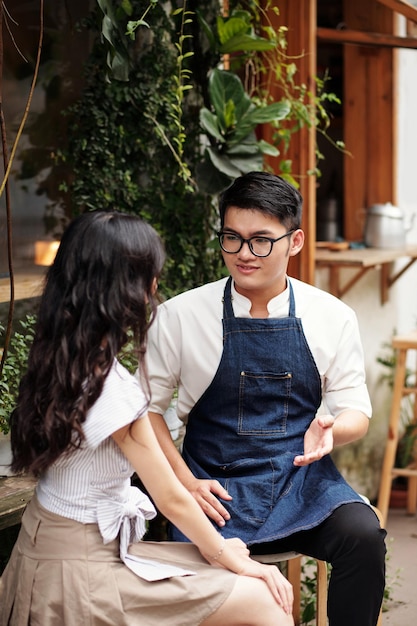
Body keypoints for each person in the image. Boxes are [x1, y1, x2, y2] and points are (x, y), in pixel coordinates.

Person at [0, 211, 294, 626]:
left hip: (46, 550)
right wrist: (230, 556)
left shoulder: (59, 358)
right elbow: (170, 498)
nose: (155, 286)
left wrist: (224, 549)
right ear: (127, 288)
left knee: (235, 566)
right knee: (264, 598)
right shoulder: (111, 388)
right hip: (79, 570)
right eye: (150, 275)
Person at [146, 171, 387, 626]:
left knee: (363, 536)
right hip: (212, 489)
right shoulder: (179, 316)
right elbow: (149, 412)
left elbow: (356, 410)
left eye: (260, 241)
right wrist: (184, 483)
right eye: (231, 239)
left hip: (300, 483)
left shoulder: (332, 316)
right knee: (231, 585)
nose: (242, 254)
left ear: (294, 242)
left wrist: (332, 432)